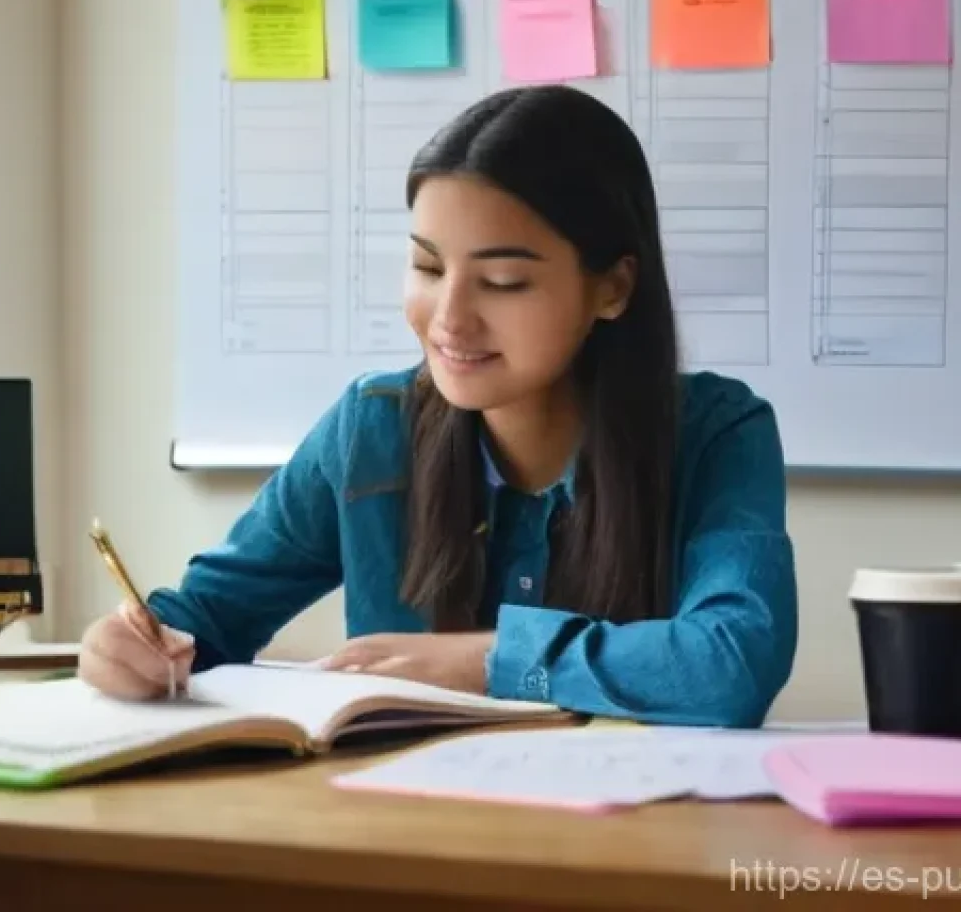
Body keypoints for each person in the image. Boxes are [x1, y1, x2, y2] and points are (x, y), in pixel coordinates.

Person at [79, 85, 797, 727]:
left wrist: (487, 661)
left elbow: (732, 664)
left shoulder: (716, 435)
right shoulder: (371, 429)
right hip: (408, 834)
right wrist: (129, 648)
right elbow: (201, 623)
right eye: (427, 266)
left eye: (504, 280)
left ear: (611, 288)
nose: (449, 317)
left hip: (625, 850)